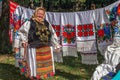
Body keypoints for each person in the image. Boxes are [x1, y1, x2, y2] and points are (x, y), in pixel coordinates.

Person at [14, 7, 61, 80]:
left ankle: (41, 77)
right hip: (34, 47)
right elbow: (22, 32)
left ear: (44, 15)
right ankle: (33, 77)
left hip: (46, 47)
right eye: (39, 13)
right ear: (35, 13)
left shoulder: (47, 23)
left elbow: (52, 33)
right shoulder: (30, 22)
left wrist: (56, 44)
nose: (40, 15)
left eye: (42, 14)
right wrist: (24, 41)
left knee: (44, 65)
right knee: (34, 64)